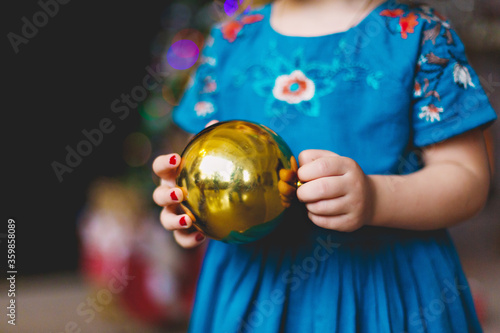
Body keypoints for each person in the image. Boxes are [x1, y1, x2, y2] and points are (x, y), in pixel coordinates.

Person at [152, 0, 497, 331]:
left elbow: (467, 178)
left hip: (384, 290)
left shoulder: (418, 35)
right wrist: (186, 203)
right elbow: (197, 162)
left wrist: (376, 198)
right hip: (254, 291)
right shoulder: (229, 39)